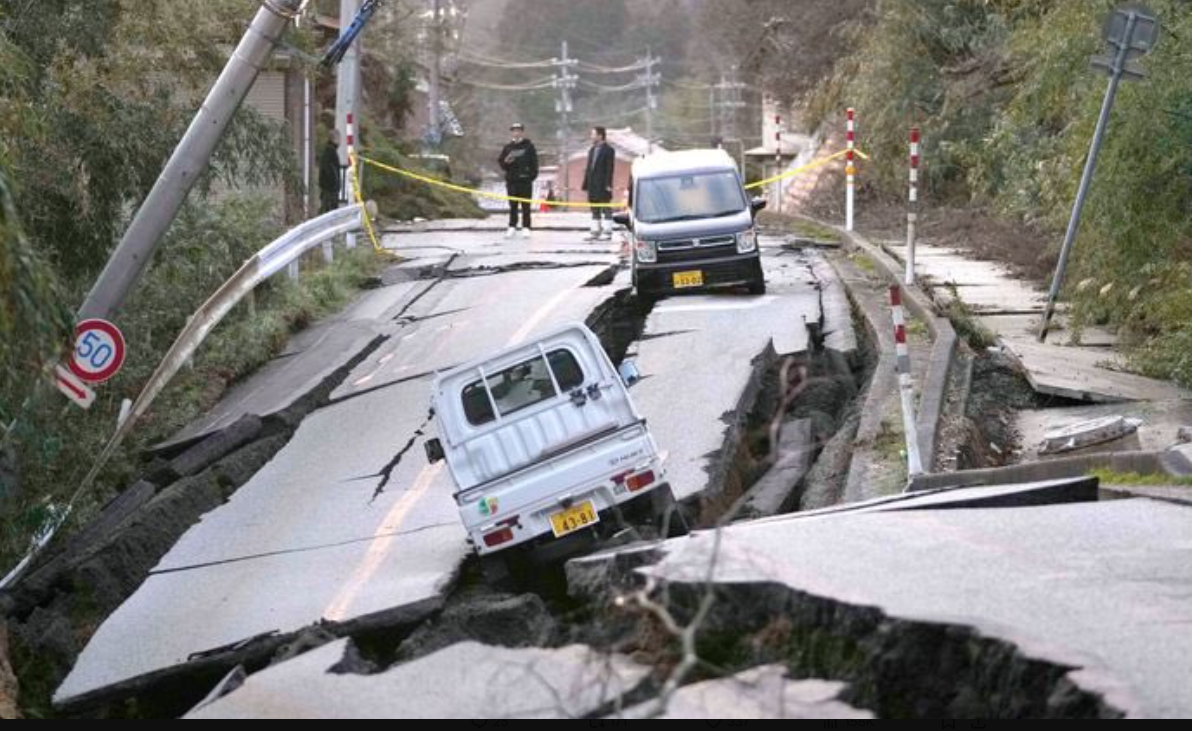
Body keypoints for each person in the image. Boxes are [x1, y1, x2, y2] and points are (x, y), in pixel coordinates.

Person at [498, 123, 539, 239]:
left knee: (526, 206)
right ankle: (512, 226)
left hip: (525, 181)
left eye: (518, 130)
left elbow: (534, 163)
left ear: (522, 132)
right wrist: (506, 162)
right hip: (512, 181)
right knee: (513, 205)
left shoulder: (529, 146)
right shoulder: (508, 147)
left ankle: (526, 227)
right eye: (514, 131)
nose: (516, 133)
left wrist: (530, 177)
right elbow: (502, 163)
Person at [582, 126, 616, 241]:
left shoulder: (609, 150)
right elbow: (589, 169)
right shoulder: (591, 150)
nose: (591, 137)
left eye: (593, 134)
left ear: (600, 136)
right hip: (592, 185)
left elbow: (610, 169)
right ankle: (595, 231)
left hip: (603, 185)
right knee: (594, 209)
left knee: (606, 208)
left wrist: (608, 184)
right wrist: (585, 184)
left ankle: (607, 232)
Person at [319, 129, 345, 214]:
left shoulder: (328, 150)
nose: (340, 141)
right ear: (335, 139)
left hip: (328, 188)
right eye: (339, 139)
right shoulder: (331, 151)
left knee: (327, 210)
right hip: (330, 189)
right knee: (330, 211)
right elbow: (329, 169)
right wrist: (335, 183)